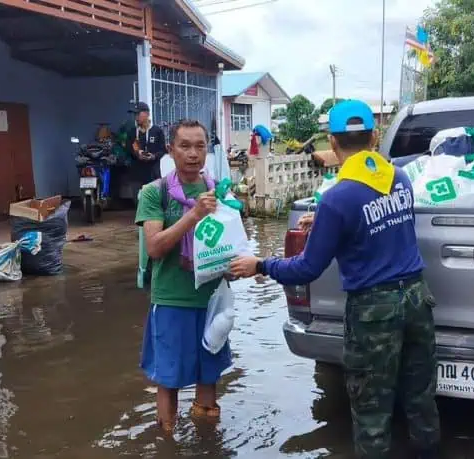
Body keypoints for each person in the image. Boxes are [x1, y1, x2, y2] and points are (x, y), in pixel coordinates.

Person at [229, 99, 440, 459]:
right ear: (374, 137)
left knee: (372, 410)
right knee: (420, 398)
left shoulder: (337, 198)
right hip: (417, 300)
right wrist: (327, 225)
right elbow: (378, 228)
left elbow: (307, 269)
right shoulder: (400, 179)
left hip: (375, 312)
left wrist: (261, 265)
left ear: (332, 140)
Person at [135, 119, 231, 436]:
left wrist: (241, 266)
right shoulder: (154, 193)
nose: (193, 154)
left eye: (200, 146)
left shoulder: (217, 189)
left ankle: (207, 441)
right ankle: (167, 441)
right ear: (170, 150)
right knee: (169, 379)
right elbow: (155, 248)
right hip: (171, 301)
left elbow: (229, 243)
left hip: (211, 300)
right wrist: (193, 215)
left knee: (209, 375)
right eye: (185, 146)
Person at [116, 102, 167, 200]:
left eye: (138, 114)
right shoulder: (132, 132)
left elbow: (162, 150)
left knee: (154, 203)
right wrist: (137, 153)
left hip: (153, 175)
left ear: (147, 114)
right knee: (139, 203)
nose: (136, 117)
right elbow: (127, 149)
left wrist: (153, 156)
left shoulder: (157, 131)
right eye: (135, 114)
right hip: (136, 176)